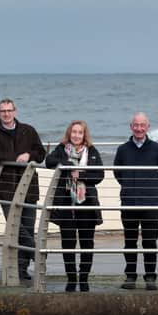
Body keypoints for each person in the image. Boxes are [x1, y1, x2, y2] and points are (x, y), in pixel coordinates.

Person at [0, 98, 46, 281]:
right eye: (3, 111)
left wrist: (29, 155)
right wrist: (14, 158)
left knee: (27, 226)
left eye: (9, 110)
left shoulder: (29, 130)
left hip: (29, 187)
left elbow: (41, 154)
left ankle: (21, 270)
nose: (6, 114)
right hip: (5, 188)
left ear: (15, 111)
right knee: (15, 227)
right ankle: (36, 251)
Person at [46, 120, 104, 292]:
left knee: (87, 244)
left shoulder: (92, 152)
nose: (76, 135)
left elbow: (99, 174)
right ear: (69, 133)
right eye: (74, 132)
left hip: (87, 204)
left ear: (84, 135)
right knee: (68, 244)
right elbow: (49, 161)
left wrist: (82, 174)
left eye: (80, 132)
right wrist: (68, 166)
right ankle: (71, 279)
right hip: (66, 204)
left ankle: (84, 279)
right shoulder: (62, 148)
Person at [113, 112, 158, 290]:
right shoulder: (123, 149)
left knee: (150, 241)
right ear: (131, 127)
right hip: (129, 201)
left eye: (142, 125)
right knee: (130, 241)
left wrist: (152, 189)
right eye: (136, 125)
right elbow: (117, 172)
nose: (139, 128)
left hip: (150, 202)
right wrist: (130, 186)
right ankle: (130, 276)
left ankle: (150, 277)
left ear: (148, 127)